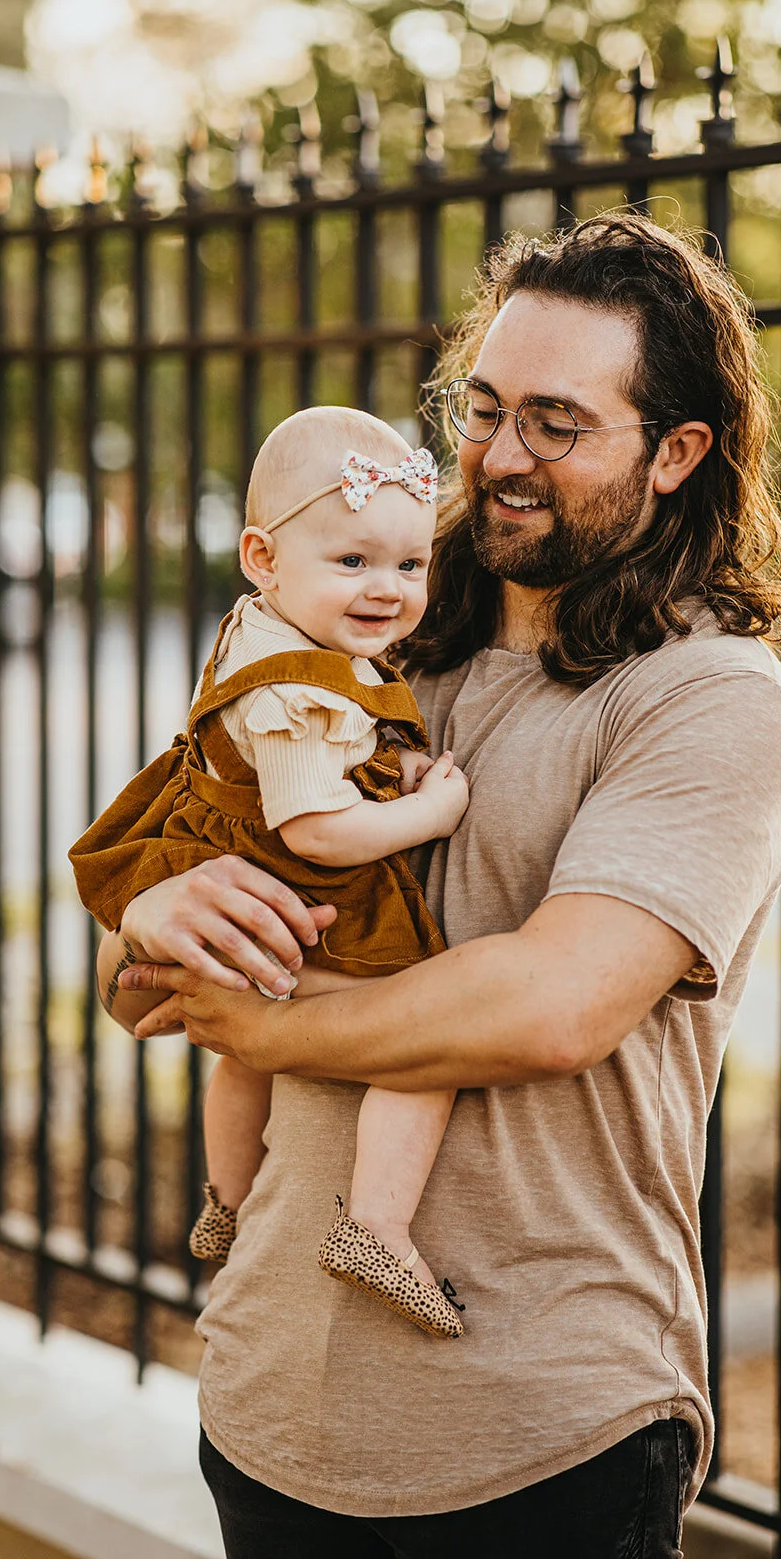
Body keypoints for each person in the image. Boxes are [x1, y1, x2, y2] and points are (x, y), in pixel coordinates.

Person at [98, 209, 781, 1559]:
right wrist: (150, 912)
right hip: (266, 1411)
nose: (494, 456)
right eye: (479, 407)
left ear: (674, 453)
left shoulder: (708, 699)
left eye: (554, 421)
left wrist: (260, 1023)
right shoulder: (361, 633)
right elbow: (148, 960)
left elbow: (549, 1007)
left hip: (532, 1433)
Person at [72, 408, 469, 1338]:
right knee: (427, 1049)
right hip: (305, 899)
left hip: (241, 883)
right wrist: (426, 811)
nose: (387, 590)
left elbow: (345, 750)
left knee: (245, 1046)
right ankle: (375, 1227)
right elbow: (317, 827)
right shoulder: (296, 694)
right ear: (261, 555)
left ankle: (226, 1195)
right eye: (353, 563)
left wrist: (388, 763)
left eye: (409, 566)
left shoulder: (266, 630)